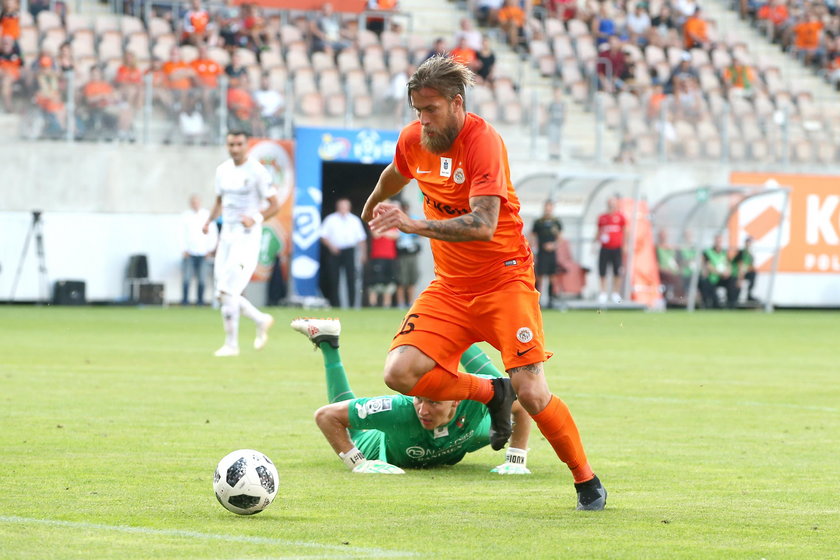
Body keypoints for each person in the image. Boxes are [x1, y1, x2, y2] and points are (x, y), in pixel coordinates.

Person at [360, 56, 607, 510]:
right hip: (451, 287)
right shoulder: (416, 139)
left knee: (532, 390)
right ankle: (492, 391)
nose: (422, 120)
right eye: (416, 110)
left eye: (430, 109)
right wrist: (372, 204)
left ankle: (586, 481)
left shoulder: (483, 142)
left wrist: (411, 225)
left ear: (457, 104)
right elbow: (394, 172)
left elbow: (483, 225)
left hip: (504, 281)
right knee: (399, 373)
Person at [293, 318, 533, 474]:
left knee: (502, 387)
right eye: (419, 399)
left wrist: (516, 459)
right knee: (354, 429)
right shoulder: (398, 409)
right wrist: (358, 462)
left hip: (465, 433)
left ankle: (455, 326)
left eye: (434, 402)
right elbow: (327, 416)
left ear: (457, 400)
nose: (422, 410)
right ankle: (328, 345)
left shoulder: (476, 406)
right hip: (369, 443)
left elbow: (520, 404)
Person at [202, 130, 279, 356]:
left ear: (246, 145)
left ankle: (232, 345)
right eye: (231, 144)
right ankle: (261, 319)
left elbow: (274, 204)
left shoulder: (257, 171)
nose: (234, 148)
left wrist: (254, 218)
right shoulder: (222, 170)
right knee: (222, 293)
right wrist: (208, 221)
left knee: (228, 290)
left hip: (247, 238)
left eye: (238, 144)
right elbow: (219, 200)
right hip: (226, 235)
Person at [320, 198, 367, 309]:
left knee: (351, 278)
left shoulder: (354, 220)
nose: (343, 208)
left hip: (349, 251)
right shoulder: (330, 219)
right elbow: (323, 236)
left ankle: (351, 305)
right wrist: (331, 247)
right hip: (334, 251)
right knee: (333, 278)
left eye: (345, 206)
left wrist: (363, 254)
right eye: (341, 206)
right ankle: (335, 304)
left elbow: (361, 239)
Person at [181, 194, 216, 305]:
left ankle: (200, 301)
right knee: (186, 278)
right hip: (190, 252)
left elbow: (213, 234)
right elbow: (181, 234)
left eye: (197, 202)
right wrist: (184, 249)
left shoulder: (207, 215)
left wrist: (210, 250)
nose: (195, 205)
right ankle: (185, 301)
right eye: (193, 202)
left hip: (203, 252)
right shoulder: (186, 216)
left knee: (202, 279)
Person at [530, 200, 564, 308]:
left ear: (552, 208)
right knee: (539, 276)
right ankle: (536, 301)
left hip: (552, 254)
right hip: (541, 253)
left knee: (552, 276)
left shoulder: (556, 222)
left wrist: (553, 245)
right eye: (546, 207)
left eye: (550, 207)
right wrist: (532, 248)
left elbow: (560, 238)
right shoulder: (538, 222)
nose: (548, 209)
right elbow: (532, 236)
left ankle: (551, 300)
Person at [595, 196, 627, 305]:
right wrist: (595, 243)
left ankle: (615, 293)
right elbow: (598, 231)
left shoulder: (620, 217)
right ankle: (602, 293)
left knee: (617, 271)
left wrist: (625, 245)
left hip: (616, 248)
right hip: (605, 248)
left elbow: (625, 231)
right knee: (602, 270)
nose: (611, 206)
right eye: (610, 204)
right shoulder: (602, 217)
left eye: (613, 204)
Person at [394, 199, 421, 309]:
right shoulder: (396, 220)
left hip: (412, 252)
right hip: (401, 253)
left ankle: (410, 302)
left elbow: (420, 232)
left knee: (412, 279)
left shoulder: (413, 219)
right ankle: (401, 303)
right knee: (401, 280)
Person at [366, 222, 399, 308]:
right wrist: (387, 232)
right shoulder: (374, 223)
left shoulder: (392, 223)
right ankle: (373, 304)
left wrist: (382, 232)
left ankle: (386, 304)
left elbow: (396, 235)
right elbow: (375, 234)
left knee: (389, 281)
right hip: (377, 256)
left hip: (390, 256)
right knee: (375, 281)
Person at [698, 233, 734, 309]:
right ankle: (708, 304)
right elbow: (708, 266)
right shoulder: (708, 252)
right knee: (714, 301)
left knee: (732, 281)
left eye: (720, 241)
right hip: (711, 278)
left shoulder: (724, 252)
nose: (718, 243)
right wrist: (720, 273)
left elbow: (729, 264)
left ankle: (731, 304)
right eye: (717, 241)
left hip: (721, 278)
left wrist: (728, 272)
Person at [731, 236, 758, 303]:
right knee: (737, 286)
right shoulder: (741, 253)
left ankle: (749, 295)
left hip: (743, 273)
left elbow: (750, 267)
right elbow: (740, 266)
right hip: (736, 273)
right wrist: (740, 278)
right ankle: (734, 301)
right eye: (748, 242)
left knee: (753, 274)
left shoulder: (750, 255)